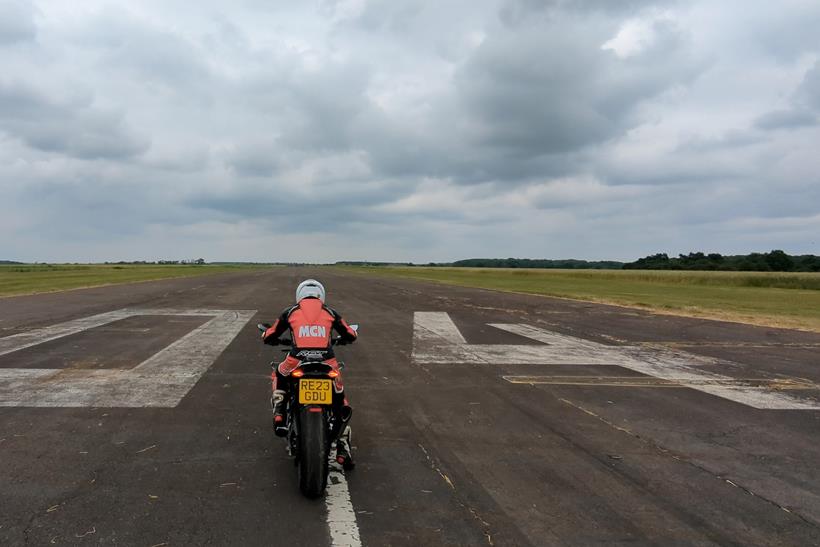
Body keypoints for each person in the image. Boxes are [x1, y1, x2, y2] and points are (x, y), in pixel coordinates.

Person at [261, 279, 358, 466]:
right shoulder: (330, 312)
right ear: (321, 295)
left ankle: (279, 411)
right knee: (340, 394)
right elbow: (350, 334)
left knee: (280, 372)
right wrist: (348, 337)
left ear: (299, 295)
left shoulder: (290, 311)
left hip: (297, 359)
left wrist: (266, 336)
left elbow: (271, 333)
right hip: (327, 361)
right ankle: (342, 440)